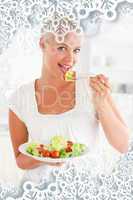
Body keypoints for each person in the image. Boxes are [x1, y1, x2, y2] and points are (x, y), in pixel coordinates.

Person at [8, 31, 129, 184]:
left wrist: (102, 103)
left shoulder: (92, 87)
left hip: (84, 187)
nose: (70, 59)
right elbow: (20, 160)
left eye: (76, 50)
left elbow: (124, 145)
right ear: (42, 44)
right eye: (61, 48)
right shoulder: (20, 97)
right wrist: (47, 158)